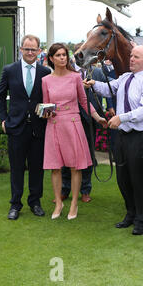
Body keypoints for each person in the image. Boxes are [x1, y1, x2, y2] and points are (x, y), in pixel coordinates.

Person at [84, 45, 143, 235]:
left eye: (136, 57)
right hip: (122, 136)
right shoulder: (125, 77)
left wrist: (121, 118)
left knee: (138, 179)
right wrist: (94, 84)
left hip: (140, 137)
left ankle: (142, 220)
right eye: (131, 56)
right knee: (122, 177)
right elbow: (109, 90)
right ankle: (130, 214)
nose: (131, 59)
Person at [42, 43, 107, 220]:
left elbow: (84, 101)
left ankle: (74, 204)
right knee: (54, 167)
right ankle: (58, 203)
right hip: (53, 125)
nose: (62, 58)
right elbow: (46, 105)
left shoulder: (75, 77)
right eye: (58, 55)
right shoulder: (45, 81)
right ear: (51, 59)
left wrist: (98, 118)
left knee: (75, 167)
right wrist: (42, 111)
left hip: (73, 124)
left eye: (64, 55)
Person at [0, 34, 51, 220]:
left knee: (37, 168)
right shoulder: (9, 70)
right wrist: (3, 119)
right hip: (16, 128)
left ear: (39, 51)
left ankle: (35, 202)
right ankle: (15, 204)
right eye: (26, 49)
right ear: (21, 49)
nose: (29, 52)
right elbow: (0, 96)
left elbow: (49, 98)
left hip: (38, 129)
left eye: (33, 49)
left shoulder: (45, 72)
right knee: (17, 168)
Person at [60, 43, 108, 204]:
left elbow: (107, 91)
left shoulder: (97, 72)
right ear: (75, 54)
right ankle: (65, 189)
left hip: (90, 118)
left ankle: (85, 190)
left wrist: (110, 109)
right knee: (66, 154)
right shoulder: (66, 72)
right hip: (68, 117)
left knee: (87, 153)